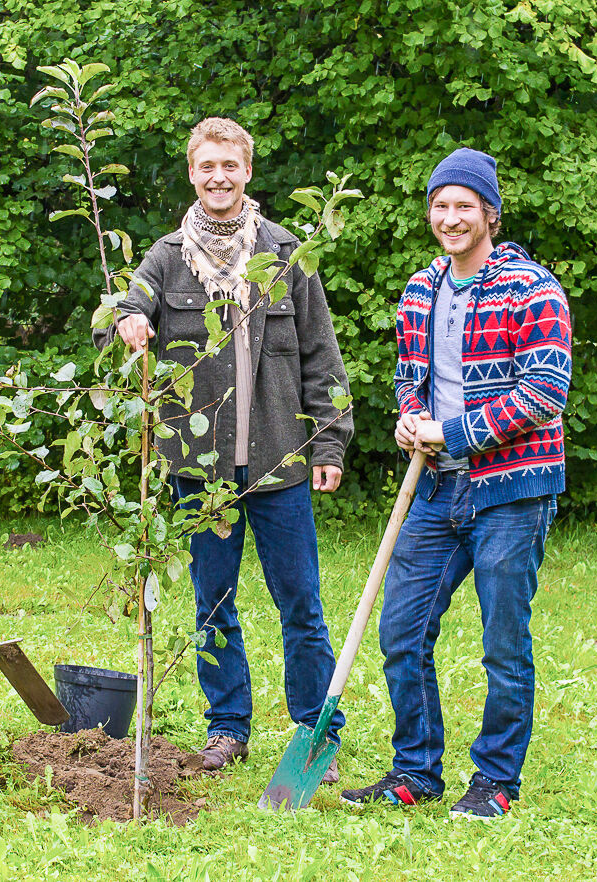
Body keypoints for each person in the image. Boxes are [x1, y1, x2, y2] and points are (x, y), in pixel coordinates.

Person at [94, 117, 353, 780]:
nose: (218, 178)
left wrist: (329, 442)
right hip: (197, 471)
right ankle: (227, 728)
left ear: (247, 171)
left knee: (300, 603)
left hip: (280, 462)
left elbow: (321, 354)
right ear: (191, 172)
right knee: (211, 605)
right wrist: (127, 321)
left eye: (229, 166)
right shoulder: (167, 254)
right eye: (206, 166)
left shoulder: (284, 252)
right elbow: (129, 305)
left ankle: (313, 732)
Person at [340, 148, 571, 818]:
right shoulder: (421, 287)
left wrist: (453, 431)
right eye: (440, 206)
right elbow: (409, 380)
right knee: (401, 632)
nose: (450, 217)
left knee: (502, 643)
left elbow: (543, 392)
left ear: (489, 214)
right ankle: (415, 770)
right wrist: (410, 421)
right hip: (435, 489)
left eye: (463, 205)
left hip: (511, 492)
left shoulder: (531, 288)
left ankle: (495, 781)